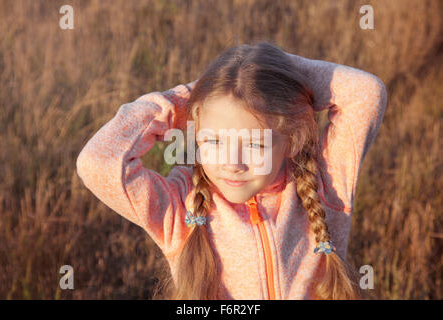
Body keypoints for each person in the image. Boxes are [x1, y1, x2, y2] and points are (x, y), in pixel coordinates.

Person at [76, 41, 388, 299]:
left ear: (292, 139)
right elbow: (97, 161)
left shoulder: (322, 184)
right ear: (195, 128)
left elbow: (366, 93)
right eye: (213, 140)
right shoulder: (180, 206)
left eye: (256, 144)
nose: (232, 163)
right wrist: (188, 98)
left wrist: (275, 70)